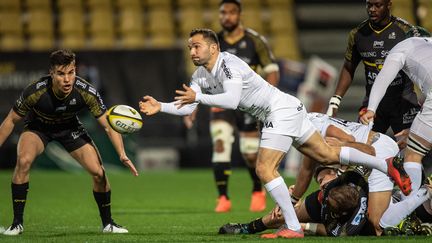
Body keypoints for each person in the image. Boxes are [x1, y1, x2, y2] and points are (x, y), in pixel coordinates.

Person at [139, 28, 410, 238]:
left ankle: (292, 226)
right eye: (189, 47)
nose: (192, 52)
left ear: (213, 47)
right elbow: (188, 108)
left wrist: (198, 97)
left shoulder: (228, 64)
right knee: (327, 155)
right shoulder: (200, 75)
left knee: (264, 169)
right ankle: (383, 164)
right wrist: (160, 106)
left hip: (278, 112)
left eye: (196, 46)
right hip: (288, 109)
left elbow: (232, 101)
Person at [0, 50, 138, 236]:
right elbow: (10, 121)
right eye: (61, 73)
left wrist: (121, 153)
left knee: (98, 172)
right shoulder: (35, 91)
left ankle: (108, 224)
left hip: (69, 128)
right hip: (38, 127)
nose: (67, 79)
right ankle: (17, 224)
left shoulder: (86, 91)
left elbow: (108, 125)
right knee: (23, 161)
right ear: (52, 73)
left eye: (71, 72)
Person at [184, 0, 279, 213]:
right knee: (220, 146)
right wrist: (193, 106)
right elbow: (201, 82)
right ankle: (223, 198)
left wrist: (267, 102)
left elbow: (272, 70)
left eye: (231, 13)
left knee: (250, 153)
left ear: (240, 15)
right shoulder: (213, 42)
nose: (226, 17)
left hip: (247, 105)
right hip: (221, 105)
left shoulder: (255, 41)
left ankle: (257, 190)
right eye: (222, 13)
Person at [327, 0, 421, 150]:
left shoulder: (406, 31)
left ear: (389, 5)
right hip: (373, 106)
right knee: (359, 151)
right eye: (369, 5)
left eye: (378, 5)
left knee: (413, 154)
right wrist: (335, 101)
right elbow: (348, 67)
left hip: (404, 104)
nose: (372, 9)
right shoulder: (358, 34)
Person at [361, 35, 432, 225]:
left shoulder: (402, 47)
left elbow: (383, 79)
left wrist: (371, 109)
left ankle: (409, 210)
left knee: (413, 156)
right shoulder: (428, 43)